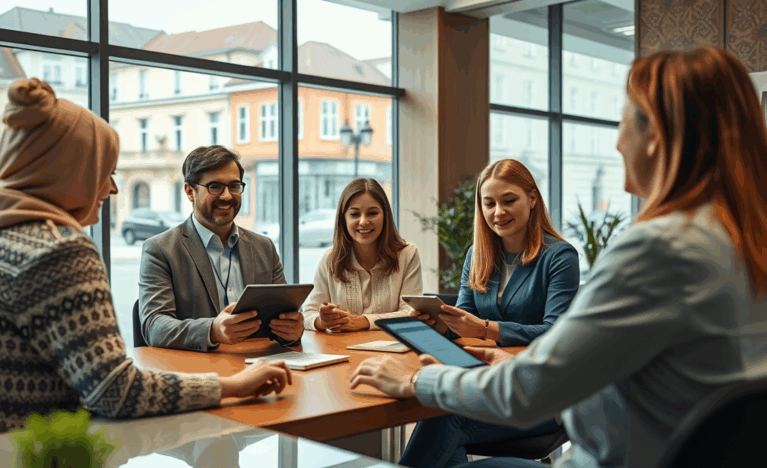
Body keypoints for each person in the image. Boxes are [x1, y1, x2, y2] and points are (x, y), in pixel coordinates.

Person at [350, 46, 767, 468]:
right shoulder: (744, 243)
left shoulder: (658, 250)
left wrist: (417, 379)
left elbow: (529, 394)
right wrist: (533, 366)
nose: (618, 142)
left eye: (622, 122)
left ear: (655, 135)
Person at [0, 78, 293, 433]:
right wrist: (233, 386)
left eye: (234, 186)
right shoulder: (59, 250)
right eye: (103, 171)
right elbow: (115, 391)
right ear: (72, 171)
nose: (112, 188)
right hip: (40, 447)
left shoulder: (10, 239)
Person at [398, 159, 580, 467]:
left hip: (539, 394)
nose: (498, 212)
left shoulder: (559, 256)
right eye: (489, 203)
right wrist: (440, 325)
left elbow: (555, 333)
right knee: (444, 420)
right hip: (486, 379)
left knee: (446, 418)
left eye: (509, 200)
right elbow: (464, 317)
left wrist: (486, 328)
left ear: (532, 198)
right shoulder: (477, 254)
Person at [139, 145, 304, 351]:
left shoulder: (264, 247)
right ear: (190, 191)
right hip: (200, 367)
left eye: (234, 186)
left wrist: (292, 332)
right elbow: (154, 326)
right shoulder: (160, 249)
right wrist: (212, 331)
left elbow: (285, 318)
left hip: (260, 362)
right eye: (215, 186)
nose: (227, 196)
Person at [302, 178, 423, 332]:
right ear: (344, 219)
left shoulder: (407, 254)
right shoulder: (329, 258)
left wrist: (364, 321)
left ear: (385, 216)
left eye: (372, 213)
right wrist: (322, 321)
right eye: (354, 214)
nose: (363, 221)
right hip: (341, 346)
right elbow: (307, 315)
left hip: (392, 346)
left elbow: (411, 313)